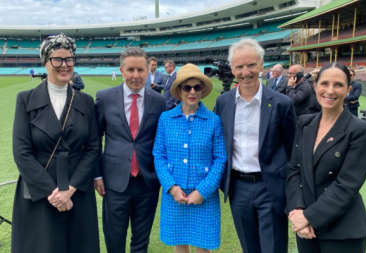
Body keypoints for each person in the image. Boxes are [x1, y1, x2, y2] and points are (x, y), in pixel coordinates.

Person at [12, 33, 100, 253]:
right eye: (57, 59)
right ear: (45, 61)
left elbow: (92, 149)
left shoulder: (86, 101)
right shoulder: (25, 99)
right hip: (41, 191)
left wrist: (69, 190)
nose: (64, 65)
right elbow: (22, 152)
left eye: (69, 59)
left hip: (77, 190)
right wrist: (54, 193)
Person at [215, 38, 297, 253]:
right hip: (238, 187)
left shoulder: (282, 103)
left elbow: (291, 149)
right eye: (239, 66)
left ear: (261, 65)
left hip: (270, 186)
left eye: (251, 65)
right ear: (232, 69)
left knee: (273, 248)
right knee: (249, 247)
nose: (246, 72)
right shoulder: (223, 102)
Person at [286, 62, 366, 253]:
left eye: (339, 85)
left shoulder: (360, 130)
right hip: (306, 229)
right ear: (315, 87)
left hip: (343, 232)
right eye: (324, 83)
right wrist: (298, 211)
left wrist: (309, 216)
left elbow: (347, 184)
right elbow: (294, 169)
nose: (330, 91)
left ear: (348, 90)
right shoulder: (305, 122)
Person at [94, 47, 166, 253]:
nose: (136, 75)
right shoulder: (105, 97)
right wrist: (97, 174)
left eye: (141, 70)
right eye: (130, 70)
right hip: (114, 182)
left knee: (141, 240)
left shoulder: (159, 101)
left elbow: (161, 140)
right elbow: (94, 139)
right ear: (122, 70)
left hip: (147, 181)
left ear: (148, 70)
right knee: (114, 238)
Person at [153, 63, 226, 252]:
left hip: (205, 196)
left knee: (203, 245)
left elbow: (220, 159)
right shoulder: (165, 118)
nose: (192, 91)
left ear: (202, 90)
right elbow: (159, 156)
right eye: (187, 87)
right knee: (180, 242)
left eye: (197, 87)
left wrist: (203, 191)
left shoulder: (214, 120)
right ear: (179, 90)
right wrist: (171, 187)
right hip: (175, 194)